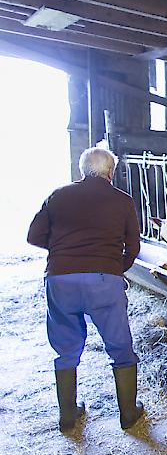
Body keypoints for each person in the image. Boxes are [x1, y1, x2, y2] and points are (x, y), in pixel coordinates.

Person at [27, 147, 144, 432]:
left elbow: (34, 236)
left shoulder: (58, 195)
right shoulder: (123, 200)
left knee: (65, 347)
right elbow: (134, 247)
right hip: (104, 280)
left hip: (60, 280)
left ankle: (68, 416)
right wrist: (116, 268)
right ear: (110, 173)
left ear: (82, 171)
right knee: (119, 346)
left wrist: (63, 253)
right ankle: (128, 414)